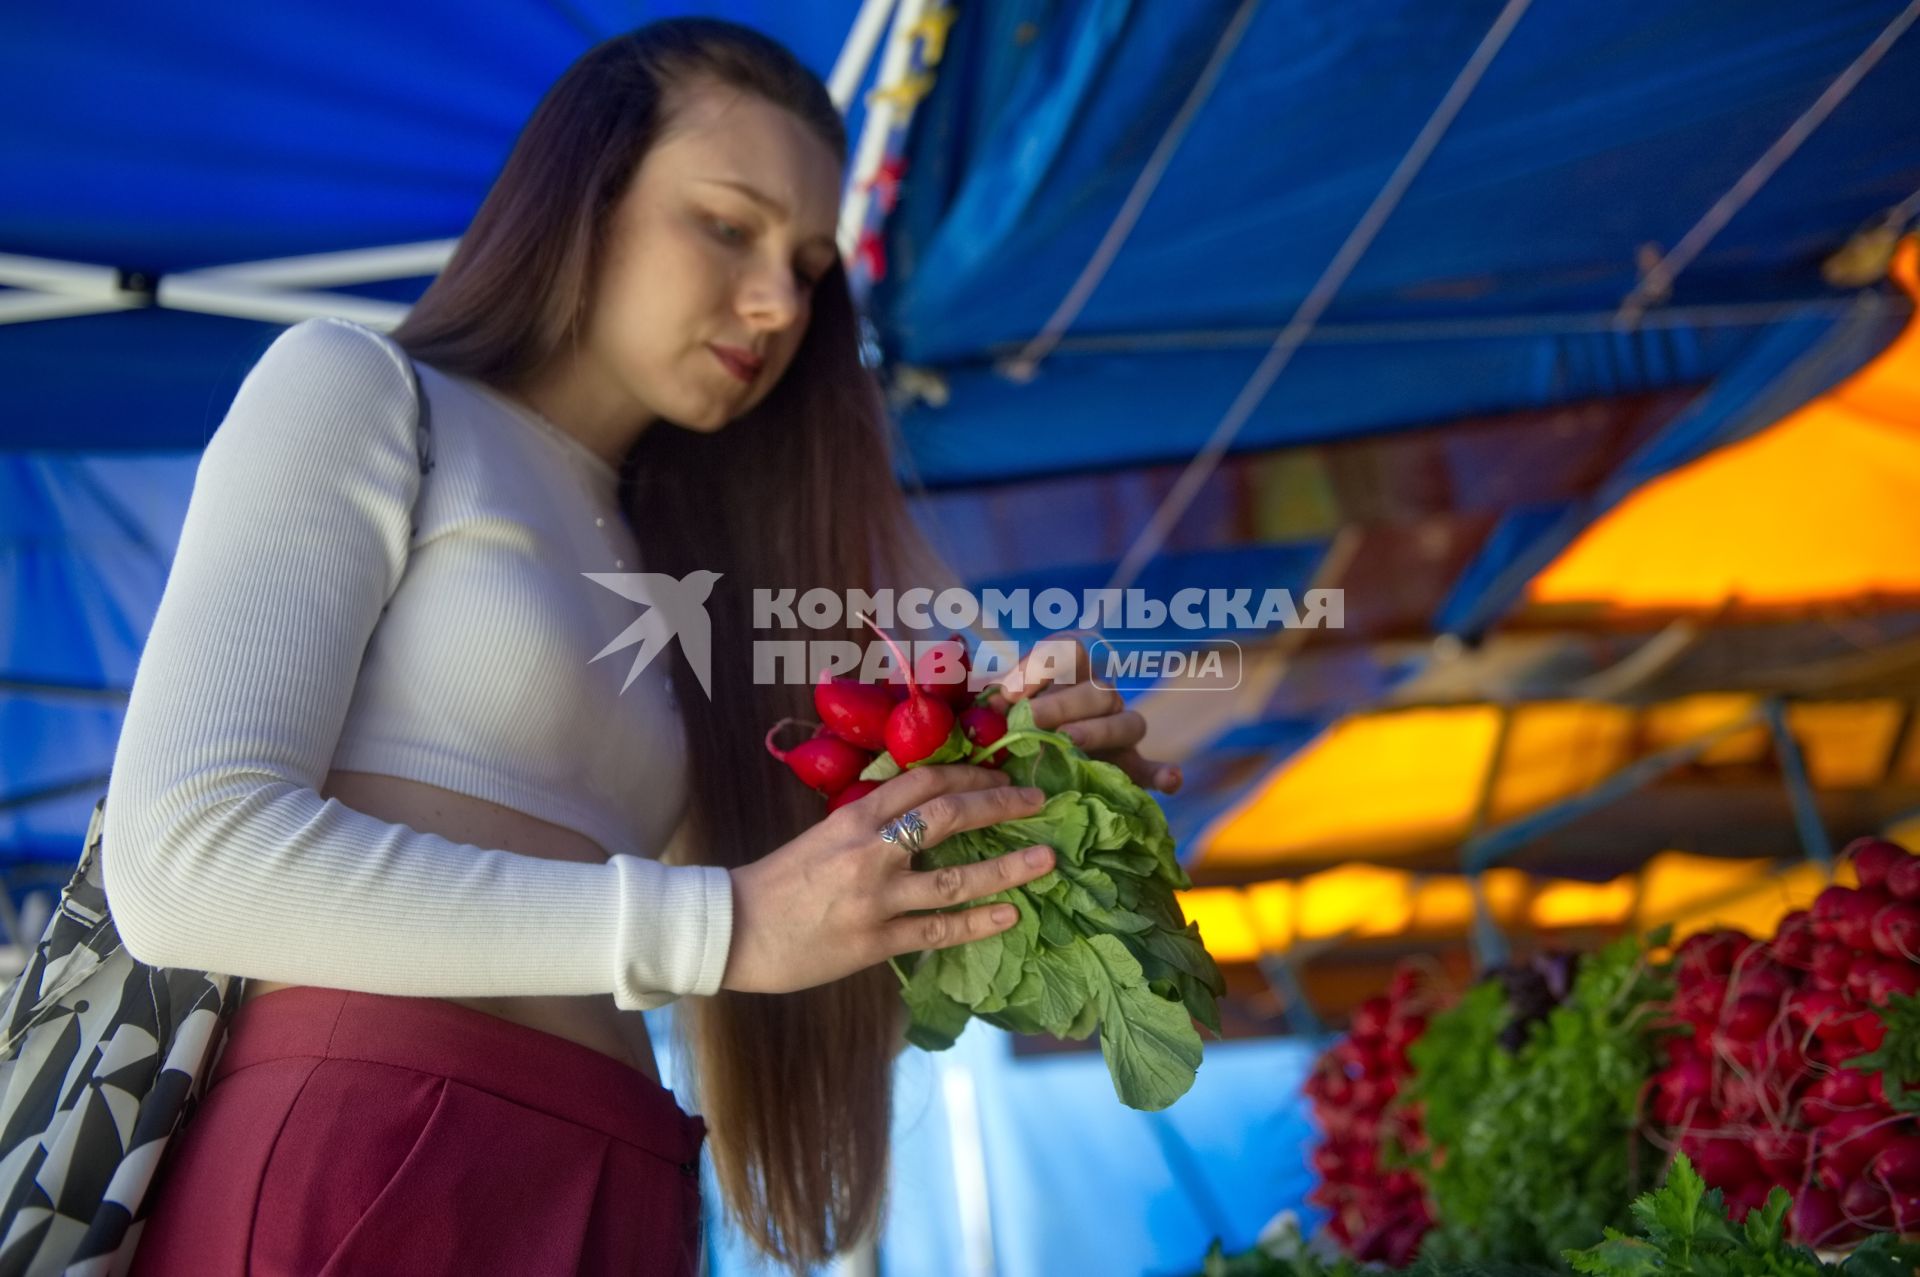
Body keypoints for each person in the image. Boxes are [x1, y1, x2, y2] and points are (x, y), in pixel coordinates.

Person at [104, 17, 1180, 1276]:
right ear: (587, 198)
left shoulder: (697, 562)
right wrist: (719, 925)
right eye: (727, 225)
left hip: (624, 1164)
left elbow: (812, 937)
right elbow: (184, 862)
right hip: (373, 1147)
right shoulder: (360, 389)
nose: (779, 301)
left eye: (810, 262)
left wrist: (1012, 782)